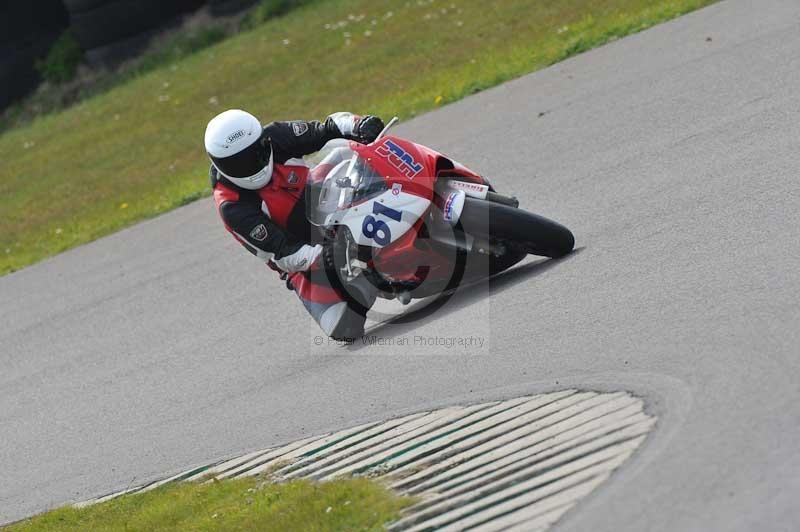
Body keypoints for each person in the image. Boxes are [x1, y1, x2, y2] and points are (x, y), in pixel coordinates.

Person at [204, 109, 385, 340]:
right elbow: (281, 252)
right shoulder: (232, 205)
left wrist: (359, 125)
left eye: (254, 154)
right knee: (343, 326)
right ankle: (368, 274)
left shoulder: (277, 135)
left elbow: (326, 129)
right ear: (219, 165)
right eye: (238, 163)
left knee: (347, 148)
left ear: (263, 141)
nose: (250, 166)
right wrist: (325, 255)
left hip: (325, 199)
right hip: (307, 260)